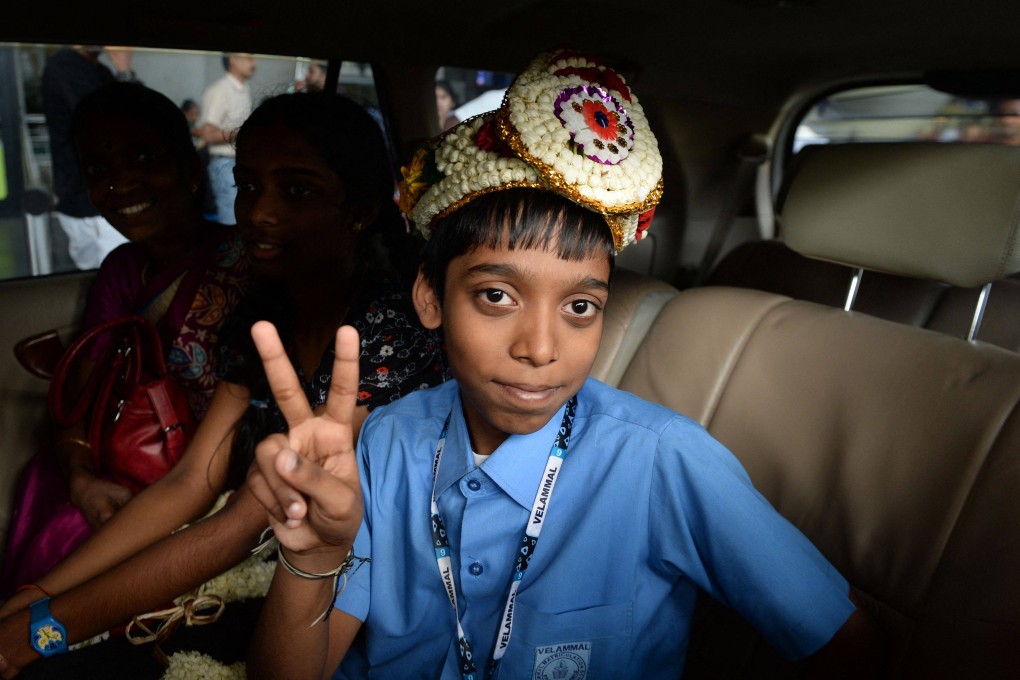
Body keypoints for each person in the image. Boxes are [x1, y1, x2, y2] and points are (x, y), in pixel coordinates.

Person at [247, 50, 887, 679]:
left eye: (580, 307)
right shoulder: (390, 441)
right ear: (431, 299)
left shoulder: (663, 461)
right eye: (496, 296)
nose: (540, 348)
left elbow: (847, 644)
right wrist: (317, 557)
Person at [0, 91, 446, 678]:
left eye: (297, 190)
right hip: (277, 551)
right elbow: (192, 479)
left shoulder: (389, 328)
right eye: (248, 185)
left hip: (361, 584)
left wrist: (42, 630)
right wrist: (35, 595)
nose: (258, 212)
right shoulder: (265, 312)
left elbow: (245, 520)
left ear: (359, 210)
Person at [0, 81, 250, 599]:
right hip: (130, 468)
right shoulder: (122, 271)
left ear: (189, 168)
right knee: (66, 526)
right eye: (99, 169)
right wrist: (81, 479)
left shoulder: (247, 264)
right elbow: (78, 404)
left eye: (143, 159)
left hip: (222, 482)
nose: (121, 183)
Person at [41, 46, 136, 270]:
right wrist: (124, 71)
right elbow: (109, 124)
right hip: (89, 202)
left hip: (101, 197)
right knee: (119, 278)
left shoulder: (100, 70)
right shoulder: (64, 66)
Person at [198, 52, 256, 225]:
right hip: (224, 164)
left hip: (239, 162)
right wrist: (244, 133)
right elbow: (208, 134)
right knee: (232, 219)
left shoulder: (243, 89)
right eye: (248, 58)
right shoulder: (220, 90)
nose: (254, 63)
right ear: (232, 60)